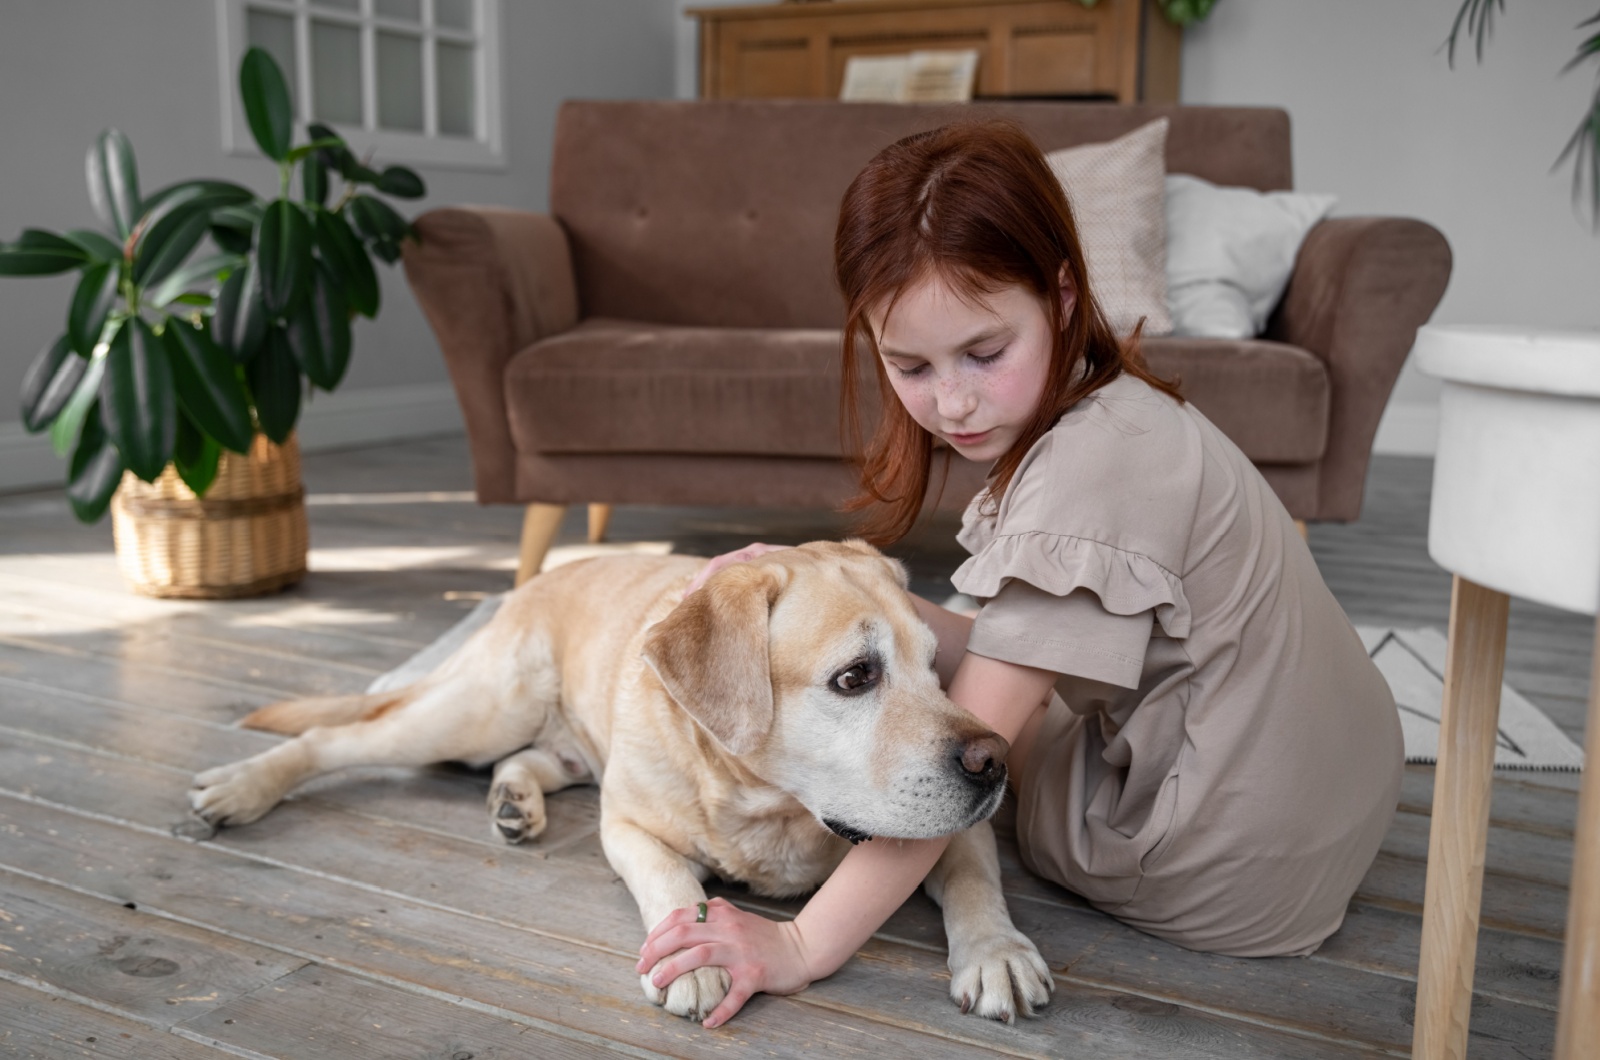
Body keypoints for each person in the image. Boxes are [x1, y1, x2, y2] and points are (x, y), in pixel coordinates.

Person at [634, 120, 1403, 1028]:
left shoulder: (1090, 470)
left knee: (953, 747)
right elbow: (1016, 645)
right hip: (1327, 812)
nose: (950, 401)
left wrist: (801, 944)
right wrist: (859, 607)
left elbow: (963, 767)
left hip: (1215, 859)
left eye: (984, 354)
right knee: (952, 669)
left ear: (1065, 296)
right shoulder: (1120, 413)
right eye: (908, 365)